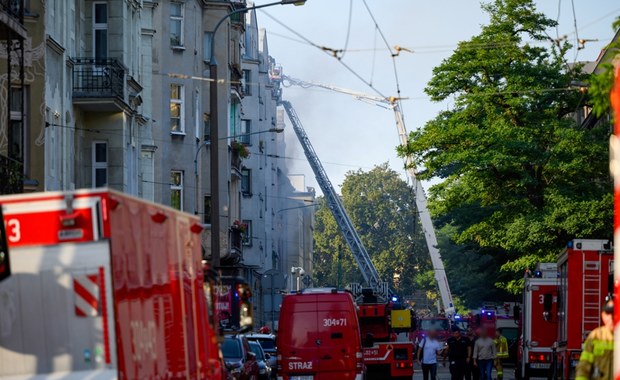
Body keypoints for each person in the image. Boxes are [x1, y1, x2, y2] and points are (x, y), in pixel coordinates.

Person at [576, 300, 614, 380]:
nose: (611, 317)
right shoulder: (595, 336)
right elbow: (583, 367)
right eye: (608, 313)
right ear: (603, 315)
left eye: (614, 313)